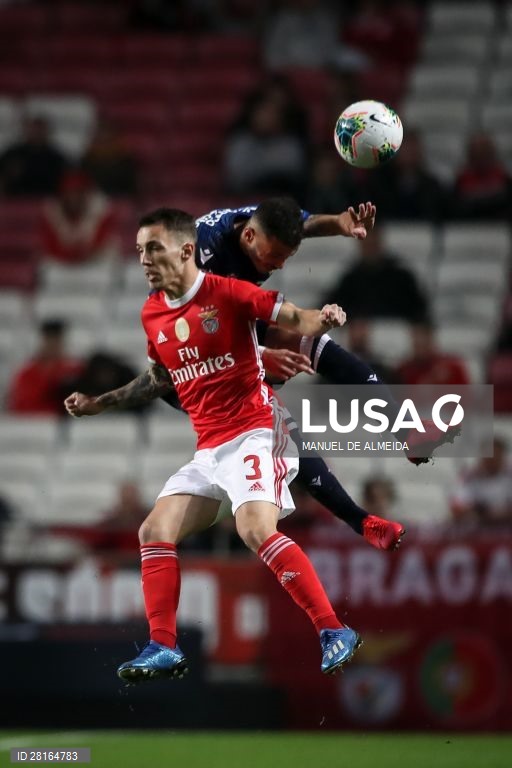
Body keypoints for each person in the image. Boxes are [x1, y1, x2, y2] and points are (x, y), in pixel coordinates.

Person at [65, 207, 362, 680]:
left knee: (254, 530)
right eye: (141, 249)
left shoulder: (229, 291)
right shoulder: (152, 312)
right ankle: (164, 646)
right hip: (210, 448)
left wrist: (322, 318)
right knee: (153, 531)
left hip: (254, 432)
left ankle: (333, 629)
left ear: (186, 250)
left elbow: (294, 318)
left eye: (153, 247)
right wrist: (101, 403)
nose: (143, 258)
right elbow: (160, 378)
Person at [323, 226, 430, 324]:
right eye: (367, 244)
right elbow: (331, 307)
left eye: (373, 243)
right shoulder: (351, 280)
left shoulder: (401, 278)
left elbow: (419, 310)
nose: (370, 247)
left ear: (380, 242)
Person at [39, 169, 119, 265]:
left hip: (95, 264)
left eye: (78, 192)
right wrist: (71, 254)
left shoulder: (101, 208)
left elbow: (100, 243)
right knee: (47, 266)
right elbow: (51, 246)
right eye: (69, 193)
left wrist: (79, 252)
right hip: (63, 265)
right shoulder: (52, 211)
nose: (73, 198)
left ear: (86, 194)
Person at [7, 319, 83, 415]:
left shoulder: (74, 370)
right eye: (49, 340)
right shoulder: (27, 374)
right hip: (32, 423)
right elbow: (21, 406)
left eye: (57, 340)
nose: (53, 345)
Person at [450, 437, 512, 528]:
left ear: (502, 456)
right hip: (477, 529)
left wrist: (497, 514)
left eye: (496, 455)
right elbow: (457, 508)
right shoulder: (470, 477)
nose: (491, 459)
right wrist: (482, 514)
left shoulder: (509, 476)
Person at [0, 114, 68, 197]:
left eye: (40, 130)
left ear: (47, 132)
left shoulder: (56, 158)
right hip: (15, 202)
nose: (37, 133)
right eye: (33, 129)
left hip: (47, 203)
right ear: (26, 130)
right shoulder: (12, 155)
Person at [396, 321, 470, 386]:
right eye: (416, 339)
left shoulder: (452, 368)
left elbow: (468, 398)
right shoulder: (403, 371)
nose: (420, 342)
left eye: (424, 337)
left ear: (432, 338)